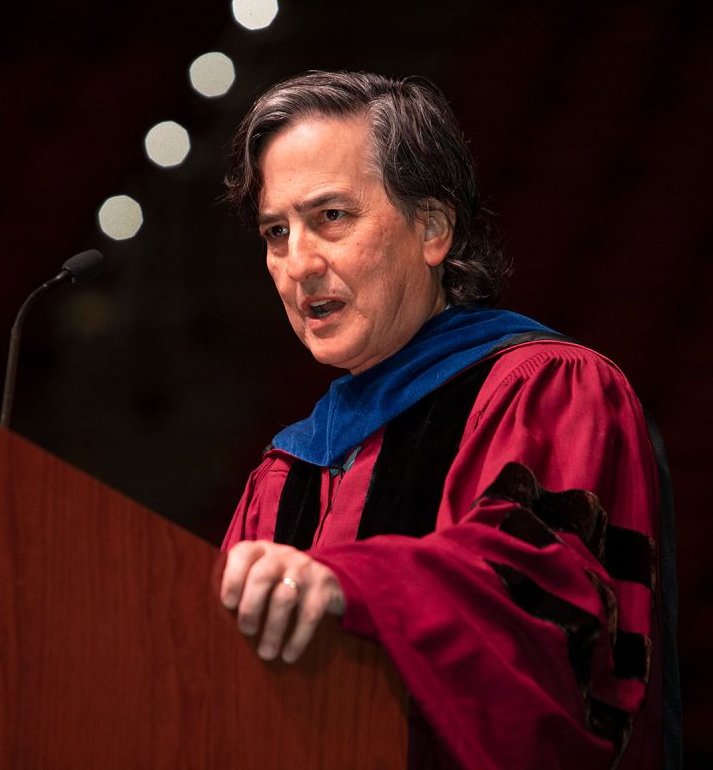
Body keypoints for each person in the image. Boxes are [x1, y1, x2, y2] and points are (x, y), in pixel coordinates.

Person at [216, 71, 681, 769]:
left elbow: (545, 611)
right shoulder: (286, 472)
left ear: (432, 227)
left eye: (331, 218)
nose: (298, 264)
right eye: (276, 233)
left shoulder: (550, 388)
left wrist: (355, 586)